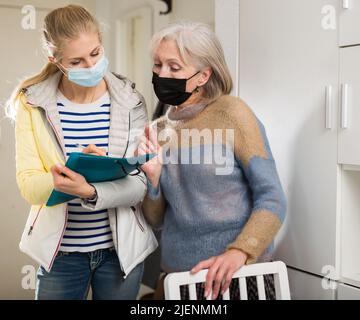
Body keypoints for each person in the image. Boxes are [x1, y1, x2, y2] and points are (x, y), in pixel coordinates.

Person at [11, 5, 157, 300]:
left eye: (95, 53)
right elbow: (28, 185)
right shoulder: (32, 105)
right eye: (76, 61)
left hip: (120, 255)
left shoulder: (130, 101)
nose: (91, 66)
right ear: (56, 60)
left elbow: (139, 185)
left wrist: (89, 190)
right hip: (61, 256)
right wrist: (66, 178)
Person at [138, 21, 287, 300]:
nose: (161, 74)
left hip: (240, 276)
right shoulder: (158, 130)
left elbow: (273, 198)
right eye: (157, 65)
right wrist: (154, 178)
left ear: (203, 76)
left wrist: (239, 252)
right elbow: (155, 219)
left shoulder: (234, 113)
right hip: (180, 280)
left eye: (174, 66)